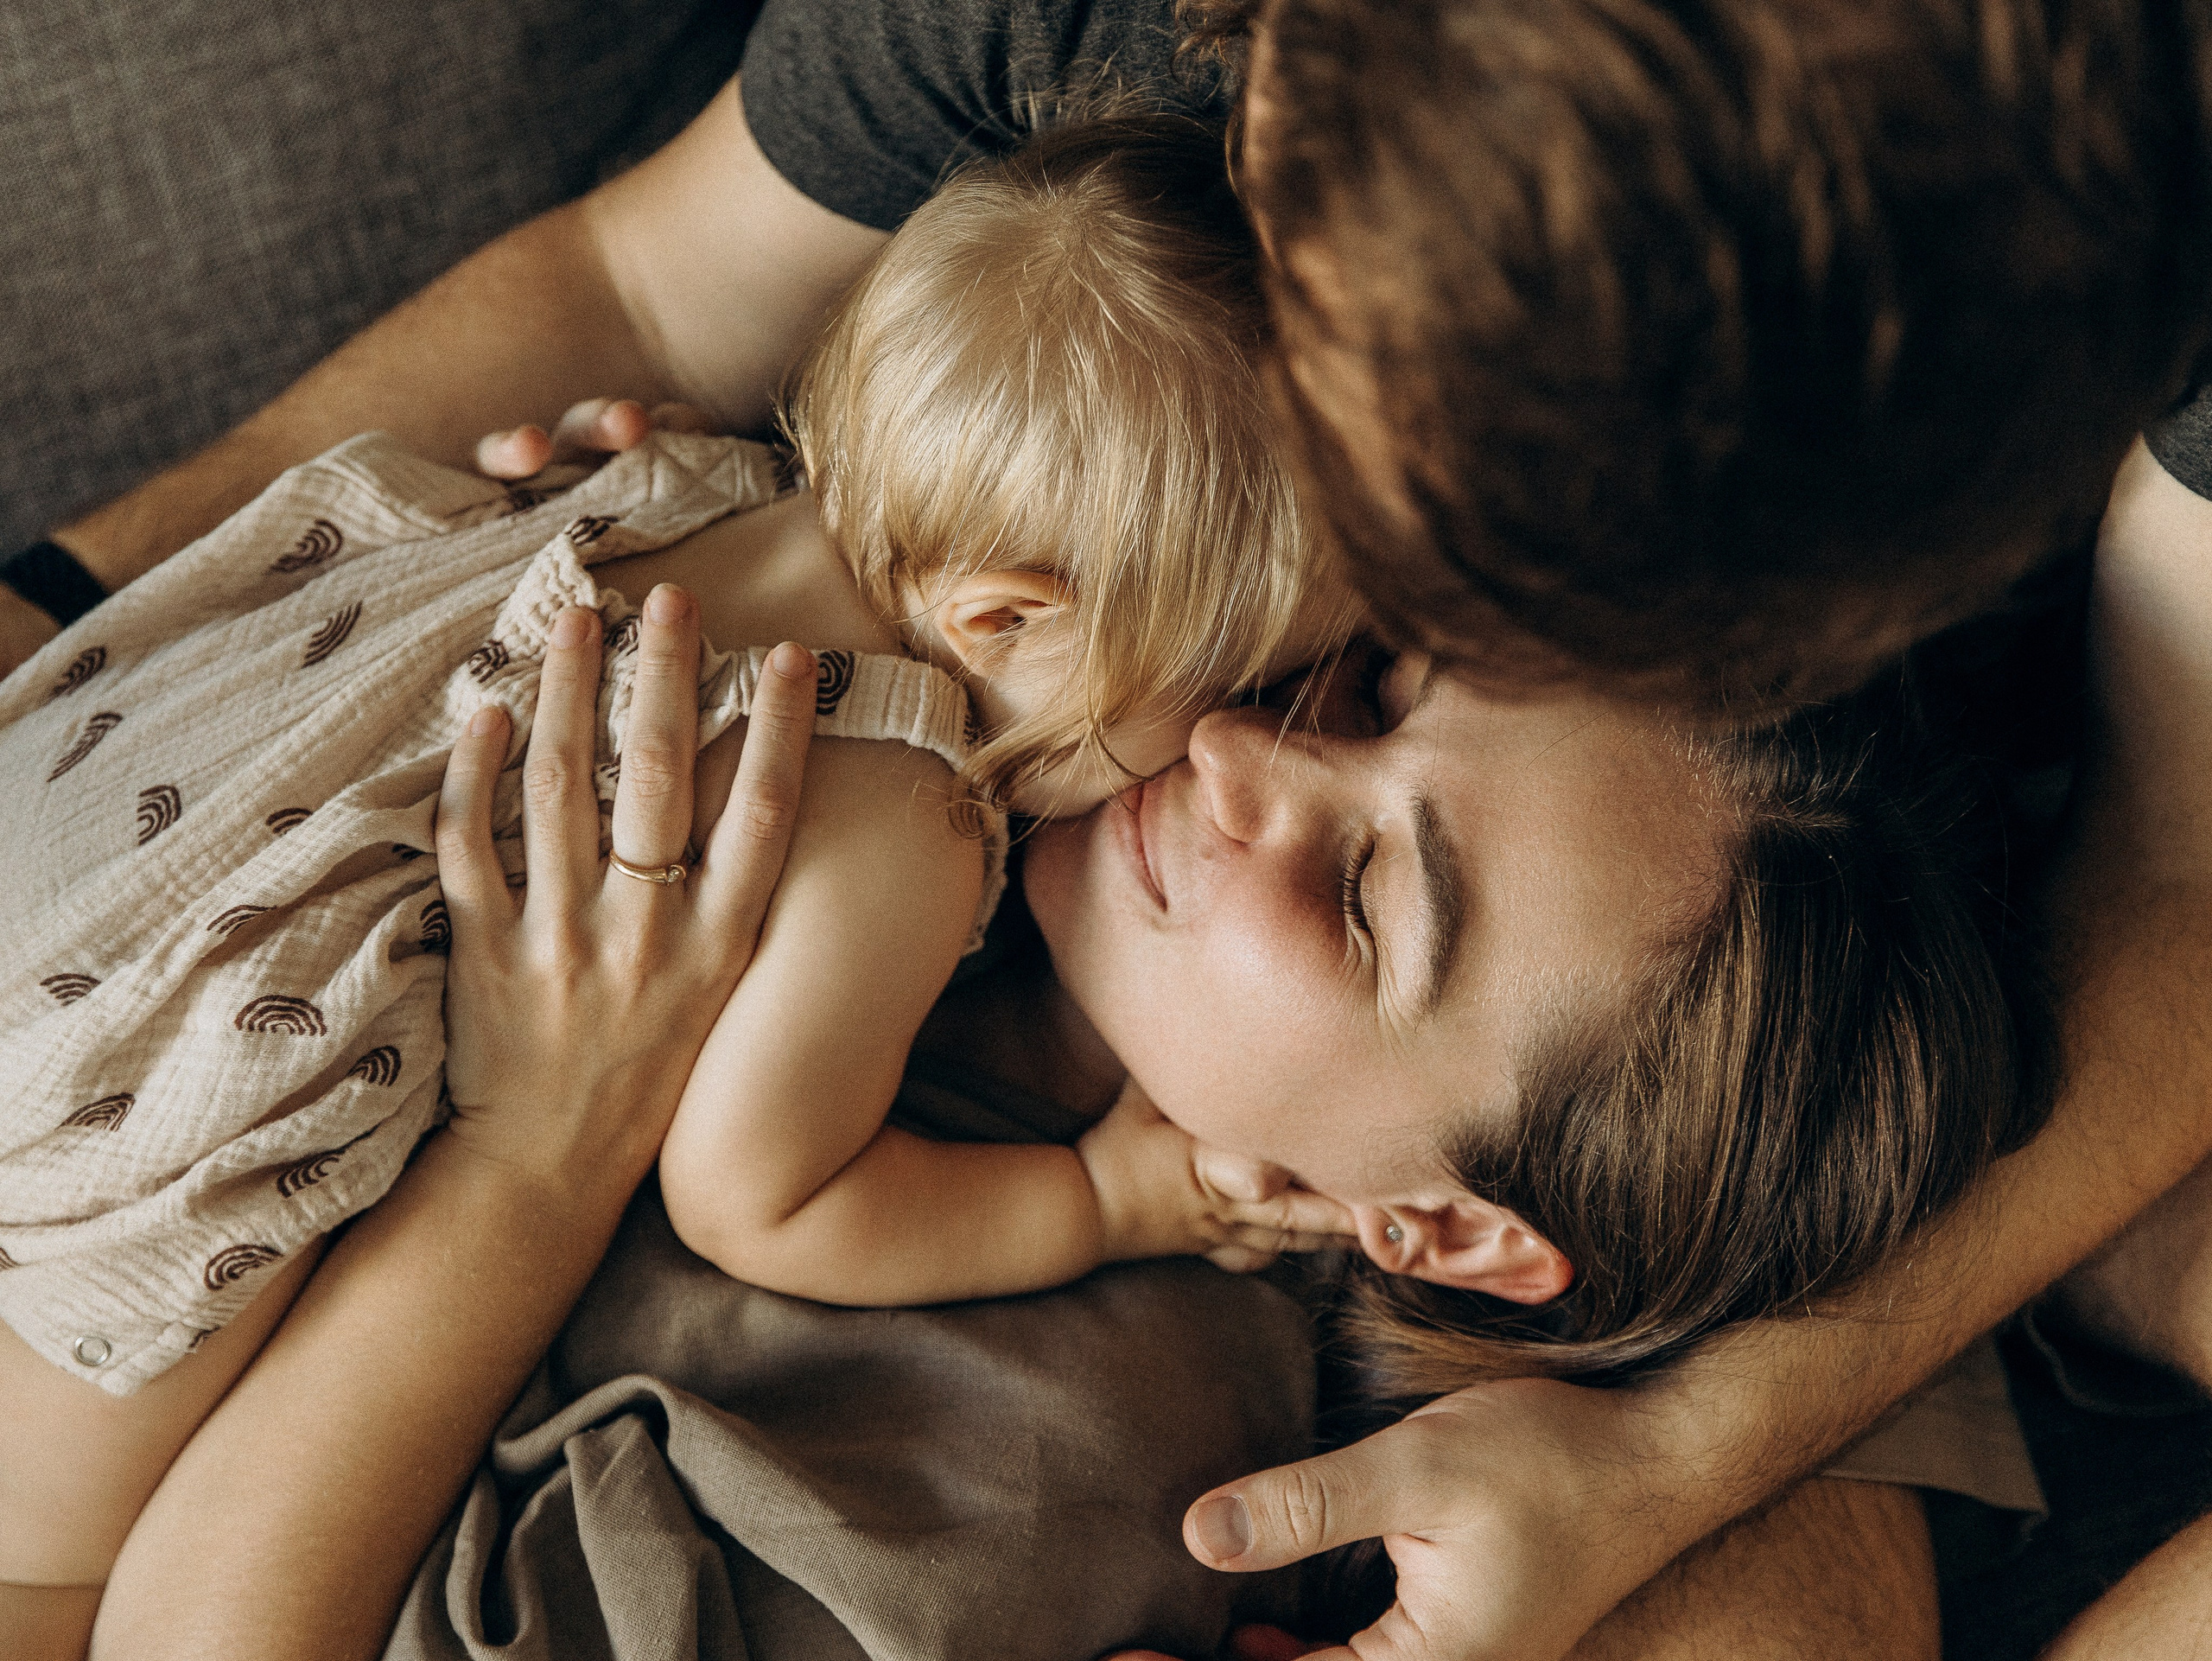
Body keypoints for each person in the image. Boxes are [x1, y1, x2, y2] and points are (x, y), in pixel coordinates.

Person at [9, 0, 2210, 1653]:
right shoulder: (1111, 111)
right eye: (1347, 665)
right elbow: (643, 279)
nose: (1223, 747)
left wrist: (1670, 1453)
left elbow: (2179, 868)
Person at [0, 111, 1372, 1629]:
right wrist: (1100, 1199)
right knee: (41, 1561)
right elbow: (761, 1196)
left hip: (81, 837)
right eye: (1237, 678)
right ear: (1001, 618)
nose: (1230, 736)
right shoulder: (898, 802)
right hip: (140, 1102)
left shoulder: (681, 475)